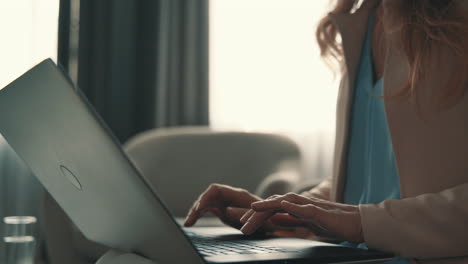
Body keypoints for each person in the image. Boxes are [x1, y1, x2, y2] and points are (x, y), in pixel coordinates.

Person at [184, 0, 468, 263]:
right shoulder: (363, 21)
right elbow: (369, 180)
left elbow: (367, 214)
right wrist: (286, 212)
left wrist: (361, 223)